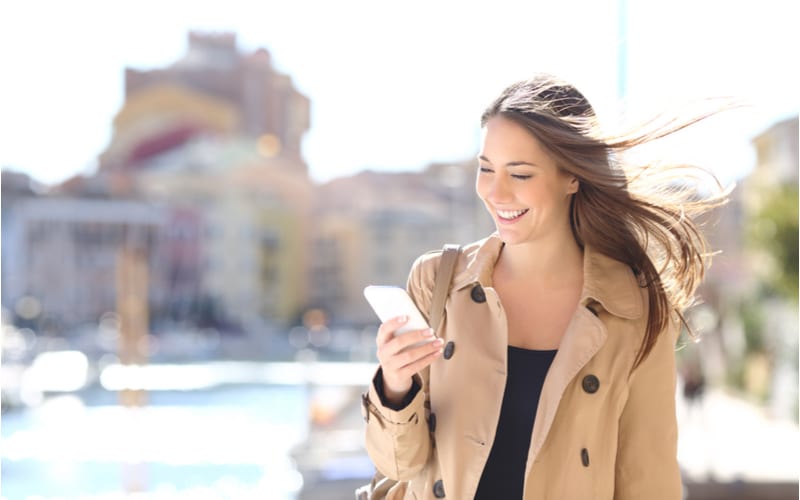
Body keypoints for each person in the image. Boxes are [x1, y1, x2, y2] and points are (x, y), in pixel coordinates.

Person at [361, 73, 729, 499]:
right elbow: (399, 464)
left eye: (519, 174)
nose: (494, 191)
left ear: (572, 178)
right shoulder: (439, 281)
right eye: (485, 169)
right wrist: (395, 385)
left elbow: (648, 477)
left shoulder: (633, 306)